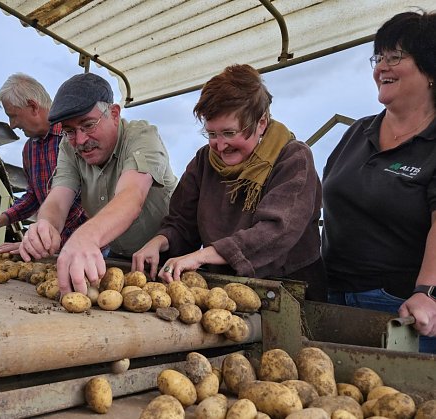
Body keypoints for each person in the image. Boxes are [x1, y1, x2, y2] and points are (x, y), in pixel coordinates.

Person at [132, 64, 326, 301]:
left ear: (261, 122)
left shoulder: (293, 159)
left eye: (229, 133)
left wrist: (202, 257)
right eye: (212, 134)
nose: (220, 145)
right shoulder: (204, 161)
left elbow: (276, 231)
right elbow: (182, 223)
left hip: (290, 291)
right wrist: (159, 242)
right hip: (223, 289)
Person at [322, 10, 436, 351]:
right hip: (331, 297)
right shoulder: (359, 132)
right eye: (379, 58)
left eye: (395, 57)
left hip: (402, 309)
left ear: (431, 70)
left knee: (399, 400)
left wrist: (426, 293)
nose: (381, 68)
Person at [18, 73, 177, 295]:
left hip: (168, 258)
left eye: (88, 125)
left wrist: (86, 237)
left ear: (114, 113)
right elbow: (58, 198)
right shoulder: (68, 146)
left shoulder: (142, 136)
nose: (80, 140)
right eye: (70, 131)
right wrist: (46, 226)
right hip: (119, 257)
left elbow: (132, 196)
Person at [0, 73, 87, 252]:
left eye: (13, 116)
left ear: (33, 106)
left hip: (88, 244)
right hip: (55, 245)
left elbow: (83, 202)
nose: (12, 125)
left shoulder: (75, 137)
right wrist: (0, 220)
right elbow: (33, 196)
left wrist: (42, 243)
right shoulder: (30, 149)